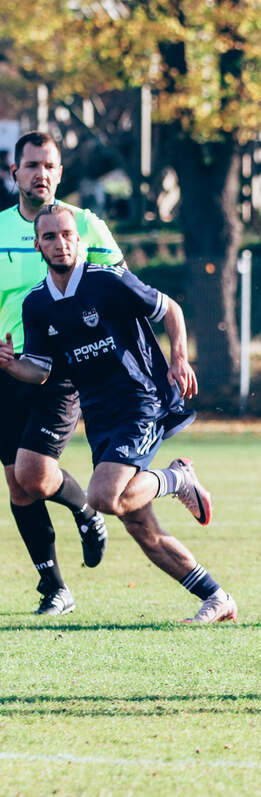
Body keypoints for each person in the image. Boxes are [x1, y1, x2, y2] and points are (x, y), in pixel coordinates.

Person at [0, 203, 237, 624]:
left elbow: (170, 309)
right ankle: (216, 597)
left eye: (68, 235)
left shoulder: (107, 280)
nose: (61, 243)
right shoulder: (37, 303)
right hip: (99, 416)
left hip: (140, 401)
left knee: (104, 498)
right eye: (50, 237)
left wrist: (179, 359)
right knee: (135, 519)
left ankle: (178, 478)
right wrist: (10, 364)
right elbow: (40, 370)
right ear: (37, 245)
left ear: (80, 240)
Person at [0, 131, 117, 615]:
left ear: (61, 173)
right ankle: (54, 588)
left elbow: (119, 290)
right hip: (8, 368)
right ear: (15, 173)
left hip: (62, 371)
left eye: (49, 166)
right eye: (32, 165)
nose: (40, 174)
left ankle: (85, 507)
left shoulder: (84, 225)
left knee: (35, 474)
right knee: (18, 484)